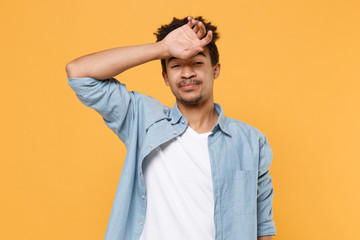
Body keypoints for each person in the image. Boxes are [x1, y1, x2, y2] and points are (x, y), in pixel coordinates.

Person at [66, 16, 276, 240]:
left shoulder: (251, 142)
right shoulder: (143, 120)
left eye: (197, 63)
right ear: (166, 77)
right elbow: (78, 72)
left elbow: (262, 227)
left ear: (215, 69)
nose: (187, 74)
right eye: (176, 65)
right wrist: (162, 48)